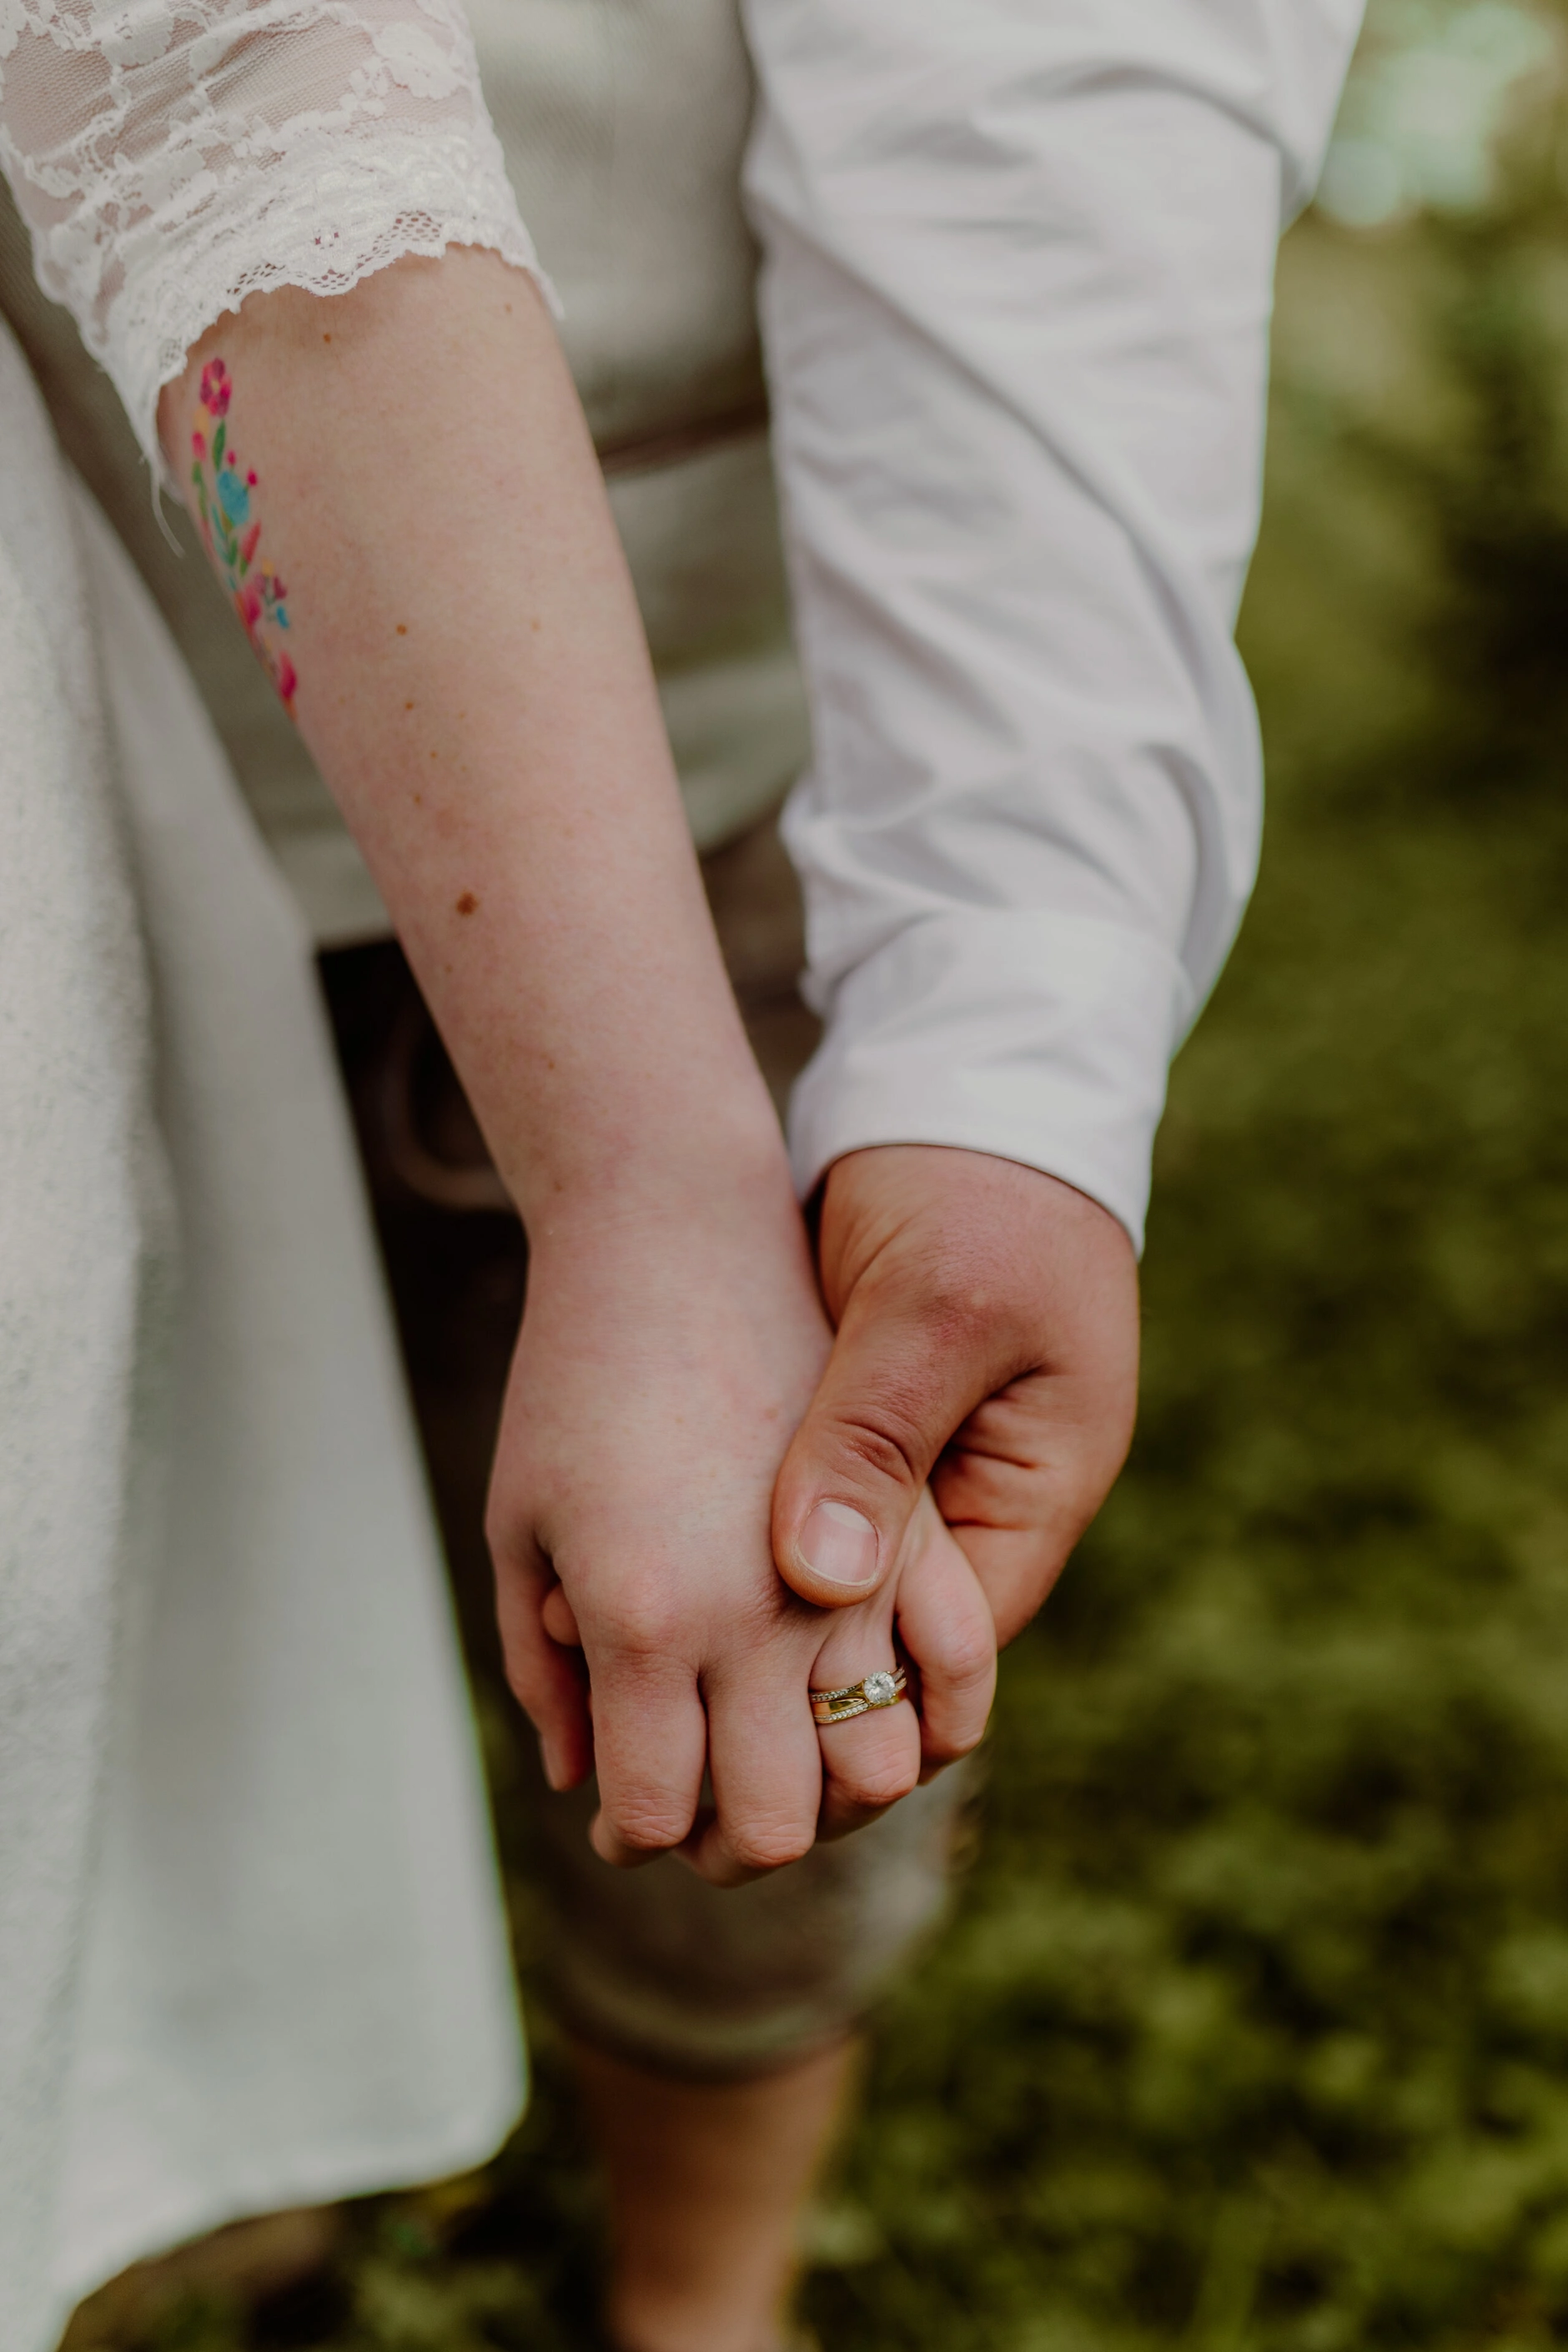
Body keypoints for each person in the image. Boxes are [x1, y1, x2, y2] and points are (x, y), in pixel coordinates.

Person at [0, 4, 1365, 2351]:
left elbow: (1065, 69)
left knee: (767, 1655)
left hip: (729, 702)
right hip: (80, 752)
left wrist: (1002, 1047)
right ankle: (216, 2169)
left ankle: (702, 2302)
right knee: (112, 1644)